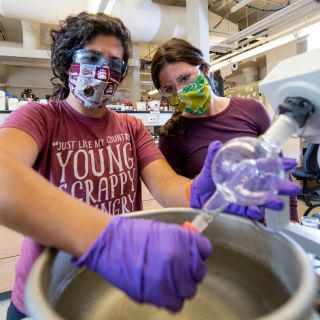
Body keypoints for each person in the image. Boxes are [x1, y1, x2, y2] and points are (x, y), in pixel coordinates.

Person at [0, 13, 298, 320]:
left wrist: (203, 190)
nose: (103, 72)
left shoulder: (130, 128)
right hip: (46, 290)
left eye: (114, 63)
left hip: (118, 282)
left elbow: (168, 186)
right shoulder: (40, 118)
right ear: (66, 62)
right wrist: (108, 238)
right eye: (90, 57)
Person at [151, 38, 298, 222]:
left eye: (184, 78)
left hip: (263, 225)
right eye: (169, 89)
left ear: (204, 70)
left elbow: (279, 172)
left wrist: (292, 222)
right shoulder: (172, 136)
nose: (180, 91)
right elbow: (177, 201)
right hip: (216, 232)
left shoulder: (252, 109)